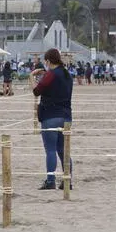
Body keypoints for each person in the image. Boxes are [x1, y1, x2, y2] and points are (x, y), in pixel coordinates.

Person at [33, 48, 73, 190]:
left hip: (50, 115)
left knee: (50, 149)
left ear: (48, 61)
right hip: (66, 115)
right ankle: (67, 179)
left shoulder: (51, 74)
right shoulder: (67, 74)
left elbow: (36, 91)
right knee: (63, 150)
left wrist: (32, 77)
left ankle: (50, 180)